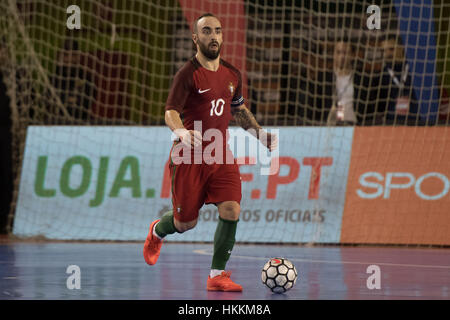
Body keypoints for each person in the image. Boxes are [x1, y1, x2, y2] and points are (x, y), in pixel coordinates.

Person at [143, 13, 277, 292]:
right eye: (206, 31)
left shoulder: (232, 74)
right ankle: (157, 231)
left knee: (231, 208)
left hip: (220, 153)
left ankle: (217, 275)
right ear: (196, 38)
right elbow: (170, 112)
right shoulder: (187, 74)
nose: (213, 36)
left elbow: (238, 111)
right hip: (189, 156)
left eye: (217, 31)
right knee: (184, 223)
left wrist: (260, 135)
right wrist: (180, 132)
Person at [327, 39, 381, 126]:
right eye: (338, 52)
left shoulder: (362, 79)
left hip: (355, 125)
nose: (342, 56)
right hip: (331, 126)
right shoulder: (325, 78)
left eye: (345, 53)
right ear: (334, 55)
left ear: (352, 55)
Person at [379, 36, 419, 125]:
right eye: (384, 51)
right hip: (392, 123)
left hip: (416, 122)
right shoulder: (381, 75)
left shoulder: (414, 70)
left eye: (391, 49)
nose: (388, 54)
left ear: (401, 48)